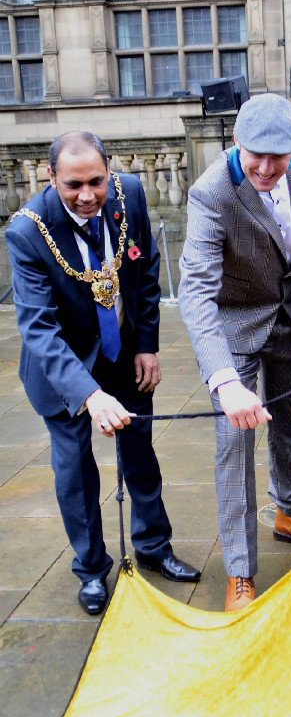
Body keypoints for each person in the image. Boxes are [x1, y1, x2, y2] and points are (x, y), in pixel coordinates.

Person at [6, 131, 199, 616]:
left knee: (140, 454)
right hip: (64, 373)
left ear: (109, 170)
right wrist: (90, 396)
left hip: (123, 355)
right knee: (74, 471)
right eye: (73, 185)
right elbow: (39, 330)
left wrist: (148, 347)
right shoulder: (26, 232)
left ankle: (155, 548)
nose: (88, 195)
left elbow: (147, 272)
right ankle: (92, 569)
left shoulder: (128, 193)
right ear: (50, 177)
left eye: (96, 180)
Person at [179, 93, 291, 612]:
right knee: (234, 444)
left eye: (280, 157)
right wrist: (224, 381)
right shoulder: (210, 194)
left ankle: (290, 512)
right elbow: (196, 290)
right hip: (235, 324)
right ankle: (240, 571)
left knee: (289, 421)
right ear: (236, 143)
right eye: (255, 156)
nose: (268, 168)